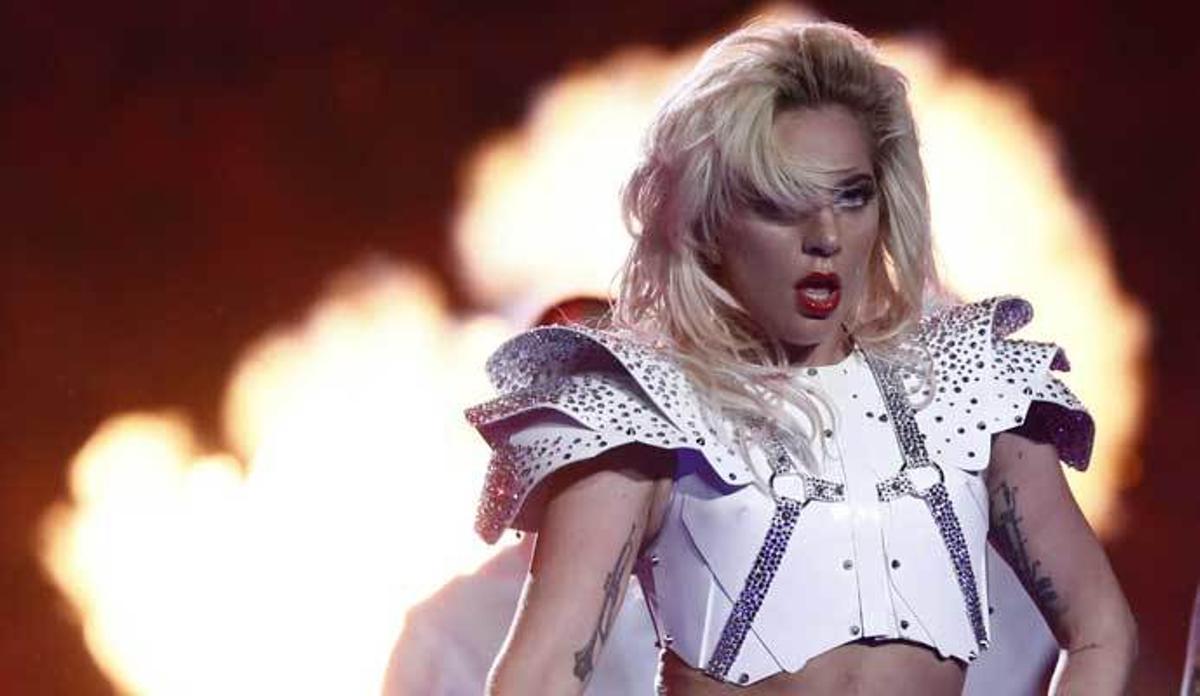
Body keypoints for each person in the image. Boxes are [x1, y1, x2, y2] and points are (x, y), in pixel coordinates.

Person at [465, 20, 1136, 695]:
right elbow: (539, 675)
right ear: (708, 220)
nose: (825, 237)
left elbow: (1102, 630)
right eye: (781, 203)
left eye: (852, 196)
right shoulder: (641, 406)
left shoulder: (970, 383)